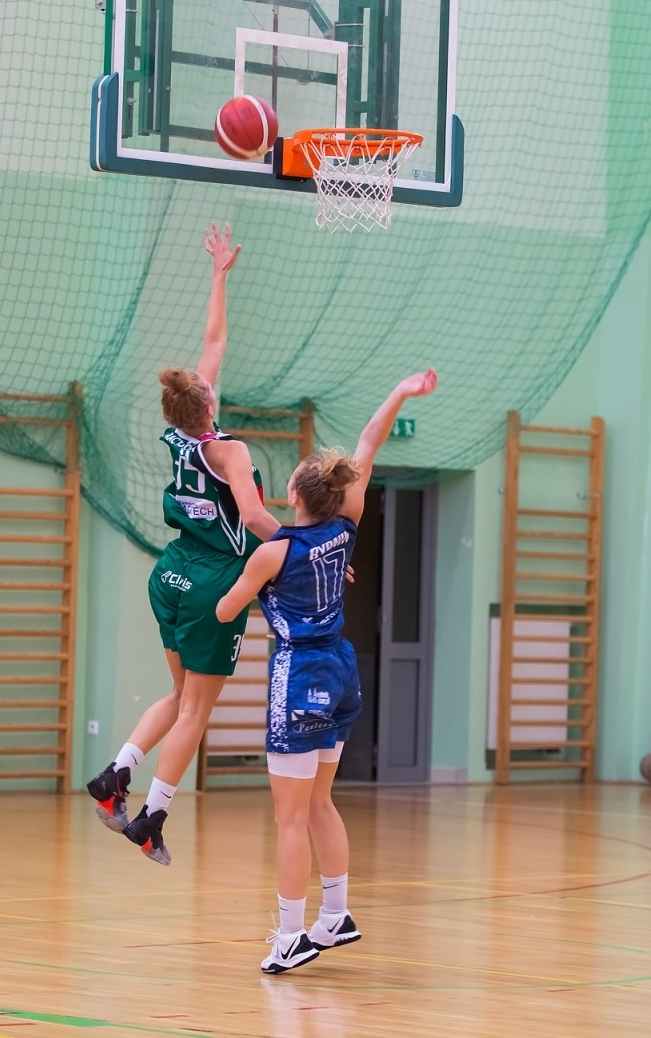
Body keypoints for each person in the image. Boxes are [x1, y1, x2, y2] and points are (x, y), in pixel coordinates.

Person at [216, 368, 438, 974]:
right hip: (342, 669)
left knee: (290, 815)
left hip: (301, 672)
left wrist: (240, 580)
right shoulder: (345, 527)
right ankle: (334, 914)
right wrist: (401, 390)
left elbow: (225, 608)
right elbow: (369, 444)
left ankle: (291, 934)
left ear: (295, 495)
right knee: (319, 804)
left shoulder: (272, 552)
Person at [85, 223, 282, 865]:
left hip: (168, 574)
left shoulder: (179, 437)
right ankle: (152, 817)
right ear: (209, 404)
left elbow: (213, 341)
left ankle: (116, 773)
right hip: (211, 584)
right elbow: (253, 516)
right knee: (197, 710)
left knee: (178, 697)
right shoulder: (229, 450)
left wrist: (219, 273)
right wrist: (303, 548)